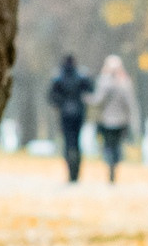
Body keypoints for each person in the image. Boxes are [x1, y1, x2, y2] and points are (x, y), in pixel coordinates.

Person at [90, 54, 140, 183]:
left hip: (106, 120)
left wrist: (87, 99)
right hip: (121, 121)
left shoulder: (104, 81)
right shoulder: (125, 82)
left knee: (108, 145)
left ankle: (110, 165)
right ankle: (114, 166)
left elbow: (98, 100)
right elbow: (130, 103)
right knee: (116, 145)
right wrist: (132, 120)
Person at [49, 54, 95, 183]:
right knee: (76, 142)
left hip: (65, 114)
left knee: (68, 143)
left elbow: (52, 97)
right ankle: (75, 172)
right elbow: (90, 90)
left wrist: (61, 104)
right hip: (78, 113)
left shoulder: (59, 78)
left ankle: (71, 171)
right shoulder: (81, 76)